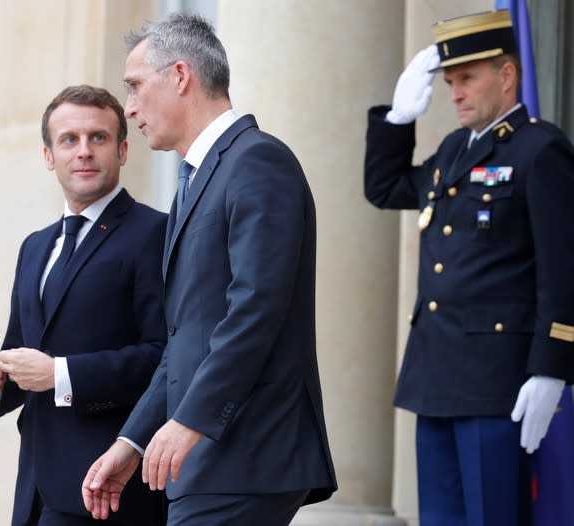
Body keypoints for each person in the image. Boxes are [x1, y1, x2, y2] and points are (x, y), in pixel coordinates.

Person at [81, 14, 336, 526]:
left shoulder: (257, 161)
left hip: (247, 456)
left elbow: (255, 311)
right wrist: (132, 440)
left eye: (135, 87)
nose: (130, 108)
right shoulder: (196, 179)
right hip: (209, 464)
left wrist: (190, 420)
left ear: (180, 76)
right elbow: (186, 339)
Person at [363, 10, 574, 526]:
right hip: (436, 376)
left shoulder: (540, 149)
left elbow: (563, 269)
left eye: (466, 79)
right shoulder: (457, 149)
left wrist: (552, 367)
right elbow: (386, 189)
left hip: (497, 381)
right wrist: (398, 119)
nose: (454, 93)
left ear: (506, 76)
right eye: (449, 81)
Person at [0, 85, 168, 526]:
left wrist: (60, 374)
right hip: (35, 488)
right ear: (48, 155)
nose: (84, 152)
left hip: (108, 488)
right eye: (69, 140)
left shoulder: (154, 233)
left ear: (122, 150)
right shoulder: (35, 247)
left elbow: (165, 356)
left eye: (98, 138)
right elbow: (23, 350)